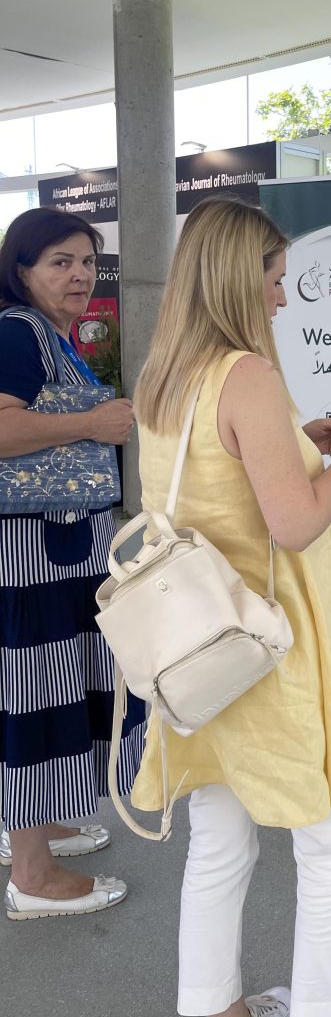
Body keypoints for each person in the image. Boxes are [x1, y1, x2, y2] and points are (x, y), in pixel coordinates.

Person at [131, 198, 331, 1017]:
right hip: (267, 647)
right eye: (276, 280)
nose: (284, 297)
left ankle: (210, 1005)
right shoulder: (246, 376)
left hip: (197, 648)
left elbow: (219, 481)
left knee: (219, 842)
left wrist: (300, 446)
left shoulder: (165, 376)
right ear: (235, 279)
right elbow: (294, 526)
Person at [0, 206, 143, 920]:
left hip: (59, 552)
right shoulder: (18, 332)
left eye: (87, 261)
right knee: (34, 697)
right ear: (22, 270)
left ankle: (35, 826)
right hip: (32, 558)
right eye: (60, 261)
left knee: (50, 694)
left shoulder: (52, 336)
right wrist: (93, 422)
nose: (80, 274)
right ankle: (32, 876)